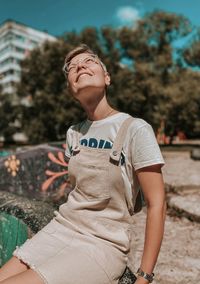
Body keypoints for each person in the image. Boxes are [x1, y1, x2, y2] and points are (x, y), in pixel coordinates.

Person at [0, 44, 166, 284]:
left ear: (107, 77)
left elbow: (157, 204)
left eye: (89, 60)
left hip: (101, 244)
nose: (80, 66)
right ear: (71, 89)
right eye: (72, 68)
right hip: (61, 228)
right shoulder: (73, 134)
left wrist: (144, 276)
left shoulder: (135, 129)